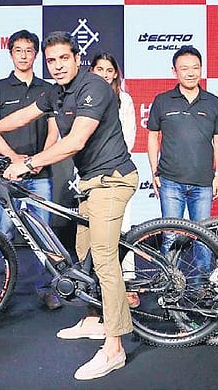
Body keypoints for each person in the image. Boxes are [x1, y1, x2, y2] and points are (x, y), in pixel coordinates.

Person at [0, 31, 138, 380]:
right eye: (51, 60)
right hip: (90, 182)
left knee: (103, 258)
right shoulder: (57, 92)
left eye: (63, 59)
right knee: (84, 254)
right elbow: (23, 116)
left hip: (113, 179)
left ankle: (114, 347)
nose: (57, 66)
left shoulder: (94, 87)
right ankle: (94, 319)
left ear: (77, 59)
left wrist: (28, 163)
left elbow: (76, 141)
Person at [0, 29, 61, 310]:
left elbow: (54, 129)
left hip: (40, 174)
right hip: (7, 173)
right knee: (3, 234)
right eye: (18, 50)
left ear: (36, 54)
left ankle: (47, 288)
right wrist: (15, 159)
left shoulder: (48, 89)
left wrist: (38, 160)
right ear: (10, 54)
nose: (24, 55)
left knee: (44, 234)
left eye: (29, 50)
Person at [147, 46, 218, 265]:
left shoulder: (213, 102)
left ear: (201, 69)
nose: (190, 73)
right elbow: (152, 137)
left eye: (195, 67)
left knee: (204, 238)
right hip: (170, 181)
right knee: (170, 236)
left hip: (203, 182)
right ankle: (170, 282)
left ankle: (203, 283)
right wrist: (154, 172)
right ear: (174, 71)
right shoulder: (162, 100)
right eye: (184, 68)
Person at [89, 51, 139, 307]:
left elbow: (128, 137)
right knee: (94, 234)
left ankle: (127, 282)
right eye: (100, 69)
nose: (105, 74)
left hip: (118, 172)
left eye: (110, 70)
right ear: (92, 71)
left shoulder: (124, 100)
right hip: (90, 173)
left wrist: (110, 165)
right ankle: (97, 286)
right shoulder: (85, 98)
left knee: (123, 229)